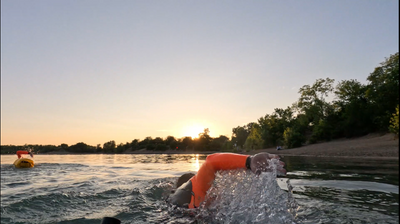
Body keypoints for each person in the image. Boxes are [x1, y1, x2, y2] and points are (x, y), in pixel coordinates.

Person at [168, 152, 286, 208]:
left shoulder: (176, 199)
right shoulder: (195, 187)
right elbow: (211, 160)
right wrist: (249, 161)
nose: (214, 188)